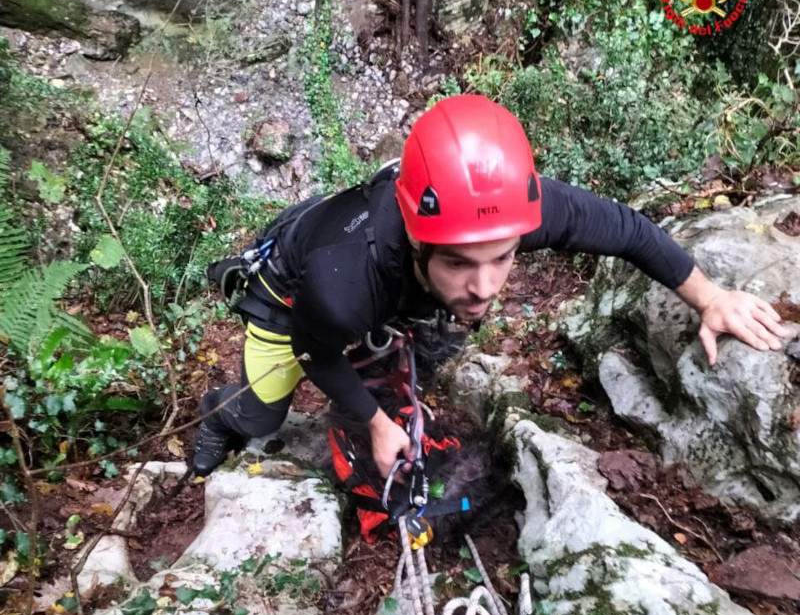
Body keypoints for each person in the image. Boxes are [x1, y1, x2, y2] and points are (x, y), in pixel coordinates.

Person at [191, 93, 789, 479]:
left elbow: (628, 230)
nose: (484, 287)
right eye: (459, 264)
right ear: (421, 240)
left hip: (388, 287)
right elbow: (315, 353)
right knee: (263, 417)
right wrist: (375, 423)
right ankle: (223, 416)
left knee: (438, 335)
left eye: (502, 259)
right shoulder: (340, 286)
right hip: (290, 297)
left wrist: (711, 298)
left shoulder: (503, 211)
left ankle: (400, 344)